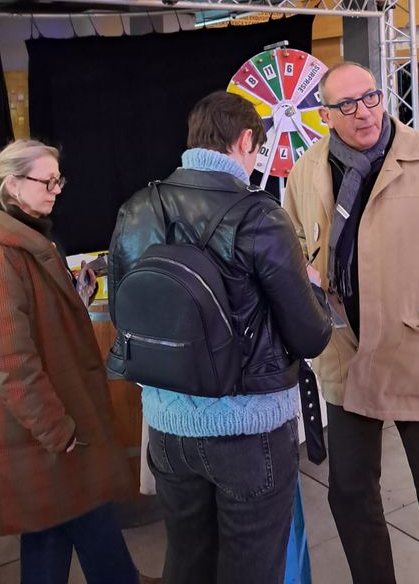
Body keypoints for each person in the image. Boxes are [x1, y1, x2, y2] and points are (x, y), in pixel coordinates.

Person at [283, 62, 419, 584]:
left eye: (370, 98)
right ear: (325, 116)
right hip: (345, 355)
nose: (363, 112)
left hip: (416, 353)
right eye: (346, 105)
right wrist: (309, 276)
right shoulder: (308, 169)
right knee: (351, 497)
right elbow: (292, 240)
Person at [108, 90, 332, 584]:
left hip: (166, 427)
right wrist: (315, 292)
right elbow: (311, 336)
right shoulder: (259, 214)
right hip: (248, 429)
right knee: (251, 566)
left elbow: (128, 310)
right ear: (245, 140)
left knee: (187, 561)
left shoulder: (136, 207)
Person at [0, 139, 154, 584]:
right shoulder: (0, 256)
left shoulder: (28, 237)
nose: (57, 189)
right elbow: (8, 360)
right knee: (65, 519)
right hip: (41, 428)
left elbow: (34, 321)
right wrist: (57, 429)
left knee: (64, 520)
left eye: (59, 179)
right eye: (47, 180)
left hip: (49, 424)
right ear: (13, 184)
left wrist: (73, 296)